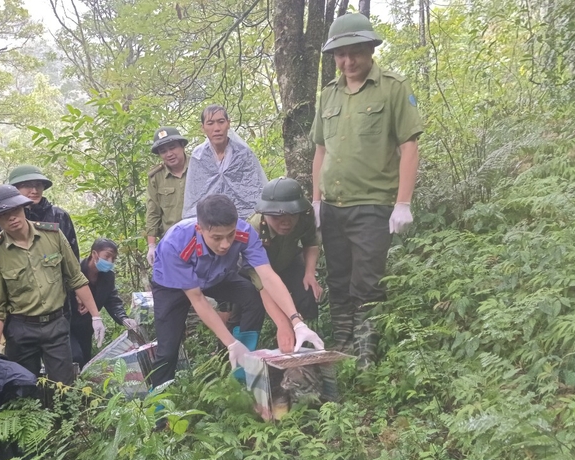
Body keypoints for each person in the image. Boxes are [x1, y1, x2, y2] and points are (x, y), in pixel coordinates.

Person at [310, 13, 424, 367]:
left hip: (374, 204)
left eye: (355, 52)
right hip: (333, 205)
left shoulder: (393, 87)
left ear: (370, 49)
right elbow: (321, 150)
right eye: (340, 55)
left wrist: (402, 202)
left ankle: (365, 350)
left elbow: (409, 146)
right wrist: (315, 200)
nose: (348, 62)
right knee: (339, 278)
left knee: (368, 281)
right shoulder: (328, 94)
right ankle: (342, 341)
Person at [150, 194, 324, 388]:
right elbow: (198, 299)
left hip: (217, 275)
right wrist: (229, 342)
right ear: (200, 229)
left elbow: (267, 276)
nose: (225, 244)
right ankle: (157, 407)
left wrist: (296, 321)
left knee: (252, 296)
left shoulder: (245, 232)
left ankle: (242, 367)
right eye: (217, 238)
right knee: (168, 349)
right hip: (173, 286)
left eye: (230, 235)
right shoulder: (175, 244)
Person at [0, 184, 105, 384]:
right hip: (20, 329)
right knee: (24, 387)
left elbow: (76, 278)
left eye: (14, 211)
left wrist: (95, 316)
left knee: (63, 386)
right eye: (3, 215)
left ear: (24, 208)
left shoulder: (52, 235)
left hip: (55, 324)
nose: (11, 218)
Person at [246, 178, 322, 345]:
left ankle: (307, 339)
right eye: (278, 216)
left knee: (306, 290)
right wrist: (284, 325)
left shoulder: (305, 217)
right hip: (256, 272)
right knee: (248, 306)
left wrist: (310, 273)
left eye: (291, 215)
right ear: (265, 213)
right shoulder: (254, 229)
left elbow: (311, 242)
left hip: (289, 261)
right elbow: (264, 284)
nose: (286, 222)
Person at [181, 104, 268, 219]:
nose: (217, 128)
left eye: (221, 122)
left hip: (243, 218)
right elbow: (193, 198)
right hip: (209, 221)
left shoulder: (243, 153)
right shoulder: (199, 156)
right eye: (210, 123)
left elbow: (256, 191)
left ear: (228, 124)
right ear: (202, 128)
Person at [70, 238, 138, 368]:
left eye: (114, 259)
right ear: (94, 254)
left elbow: (112, 300)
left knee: (85, 362)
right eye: (107, 256)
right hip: (66, 325)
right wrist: (76, 297)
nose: (110, 262)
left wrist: (124, 318)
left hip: (86, 327)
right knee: (74, 357)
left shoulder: (108, 277)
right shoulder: (75, 269)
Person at [0, 164, 79, 259]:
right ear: (15, 189)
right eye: (27, 185)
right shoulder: (0, 220)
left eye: (38, 185)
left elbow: (72, 256)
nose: (35, 191)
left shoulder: (59, 215)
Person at [146, 126, 190, 267]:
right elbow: (153, 212)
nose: (169, 154)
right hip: (172, 242)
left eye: (172, 148)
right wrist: (151, 246)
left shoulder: (199, 166)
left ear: (182, 146)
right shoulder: (156, 177)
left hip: (202, 238)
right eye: (163, 151)